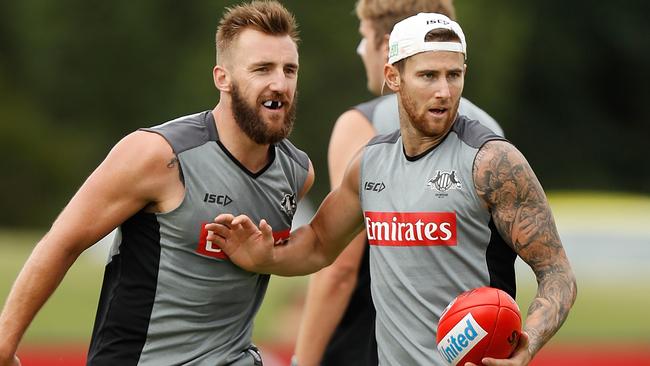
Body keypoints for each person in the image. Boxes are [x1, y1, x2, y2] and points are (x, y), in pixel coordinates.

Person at [206, 13, 577, 366]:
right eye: (428, 75)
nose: (444, 92)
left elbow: (557, 272)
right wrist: (261, 258)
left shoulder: (492, 162)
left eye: (454, 75)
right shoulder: (370, 163)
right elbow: (319, 244)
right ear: (393, 76)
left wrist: (529, 341)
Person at [0, 1, 313, 365]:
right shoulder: (156, 156)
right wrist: (5, 344)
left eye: (289, 70)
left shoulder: (297, 172)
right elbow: (62, 243)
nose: (280, 83)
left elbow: (317, 248)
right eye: (262, 69)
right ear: (222, 78)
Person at [294, 1, 504, 365]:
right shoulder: (490, 132)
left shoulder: (361, 124)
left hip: (371, 345)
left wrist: (303, 360)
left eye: (364, 37)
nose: (361, 50)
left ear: (389, 45)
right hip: (474, 345)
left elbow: (341, 268)